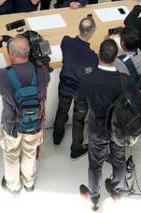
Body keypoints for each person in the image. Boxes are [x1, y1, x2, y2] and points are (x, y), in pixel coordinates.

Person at [0, 35, 50, 194]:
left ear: (11, 54)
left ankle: (13, 185)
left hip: (12, 126)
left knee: (11, 156)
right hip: (35, 123)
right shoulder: (43, 71)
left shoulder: (3, 75)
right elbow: (45, 84)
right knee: (30, 154)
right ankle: (29, 183)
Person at [77, 38, 130, 210]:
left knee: (95, 165)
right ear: (116, 57)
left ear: (98, 54)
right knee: (119, 160)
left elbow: (81, 105)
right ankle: (116, 191)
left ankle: (94, 199)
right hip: (120, 130)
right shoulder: (125, 80)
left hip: (97, 129)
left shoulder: (88, 79)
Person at [53, 16, 98, 157]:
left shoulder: (66, 41)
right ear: (92, 33)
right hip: (80, 92)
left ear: (78, 28)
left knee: (61, 110)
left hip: (65, 85)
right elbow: (91, 72)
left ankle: (57, 136)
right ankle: (76, 147)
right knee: (78, 120)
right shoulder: (93, 57)